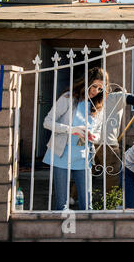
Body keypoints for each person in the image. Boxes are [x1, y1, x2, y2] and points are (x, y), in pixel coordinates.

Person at [42, 67, 109, 210]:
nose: (96, 91)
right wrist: (72, 130)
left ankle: (87, 231)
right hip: (61, 154)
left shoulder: (98, 106)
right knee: (62, 204)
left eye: (100, 88)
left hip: (83, 156)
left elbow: (98, 134)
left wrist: (93, 136)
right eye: (94, 86)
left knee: (87, 205)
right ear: (86, 82)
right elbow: (47, 122)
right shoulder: (68, 98)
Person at [92, 88, 134, 192]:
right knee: (113, 174)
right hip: (108, 144)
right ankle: (111, 203)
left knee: (90, 172)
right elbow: (132, 98)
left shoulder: (103, 99)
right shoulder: (118, 96)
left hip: (93, 142)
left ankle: (73, 197)